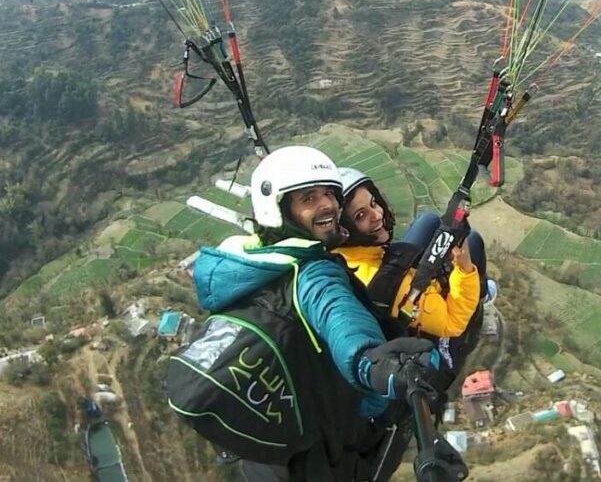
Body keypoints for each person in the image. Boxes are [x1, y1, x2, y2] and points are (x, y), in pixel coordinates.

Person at [186, 146, 443, 481]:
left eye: (330, 194)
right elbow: (338, 317)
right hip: (338, 439)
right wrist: (372, 363)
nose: (329, 205)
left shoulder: (242, 261)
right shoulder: (314, 274)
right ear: (279, 210)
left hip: (269, 446)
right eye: (309, 198)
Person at [334, 167, 491, 380]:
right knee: (473, 242)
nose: (377, 214)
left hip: (388, 278)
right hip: (430, 347)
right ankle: (480, 300)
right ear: (344, 230)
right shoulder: (386, 284)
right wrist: (464, 267)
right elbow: (452, 323)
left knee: (429, 221)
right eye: (360, 215)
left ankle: (476, 290)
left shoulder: (342, 254)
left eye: (373, 203)